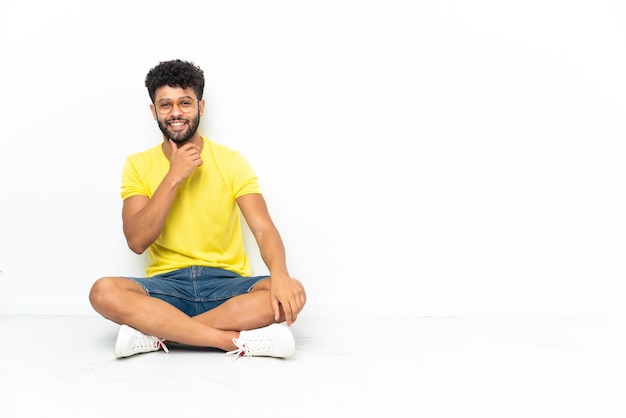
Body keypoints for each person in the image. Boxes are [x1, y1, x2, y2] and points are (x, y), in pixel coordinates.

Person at [89, 59, 306, 359]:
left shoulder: (230, 161)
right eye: (165, 105)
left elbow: (263, 227)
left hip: (226, 287)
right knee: (103, 292)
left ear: (201, 107)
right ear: (153, 111)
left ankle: (160, 335)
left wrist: (280, 274)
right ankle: (230, 341)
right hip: (167, 288)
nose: (175, 112)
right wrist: (174, 175)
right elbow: (137, 241)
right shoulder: (137, 165)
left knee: (290, 290)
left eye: (185, 103)